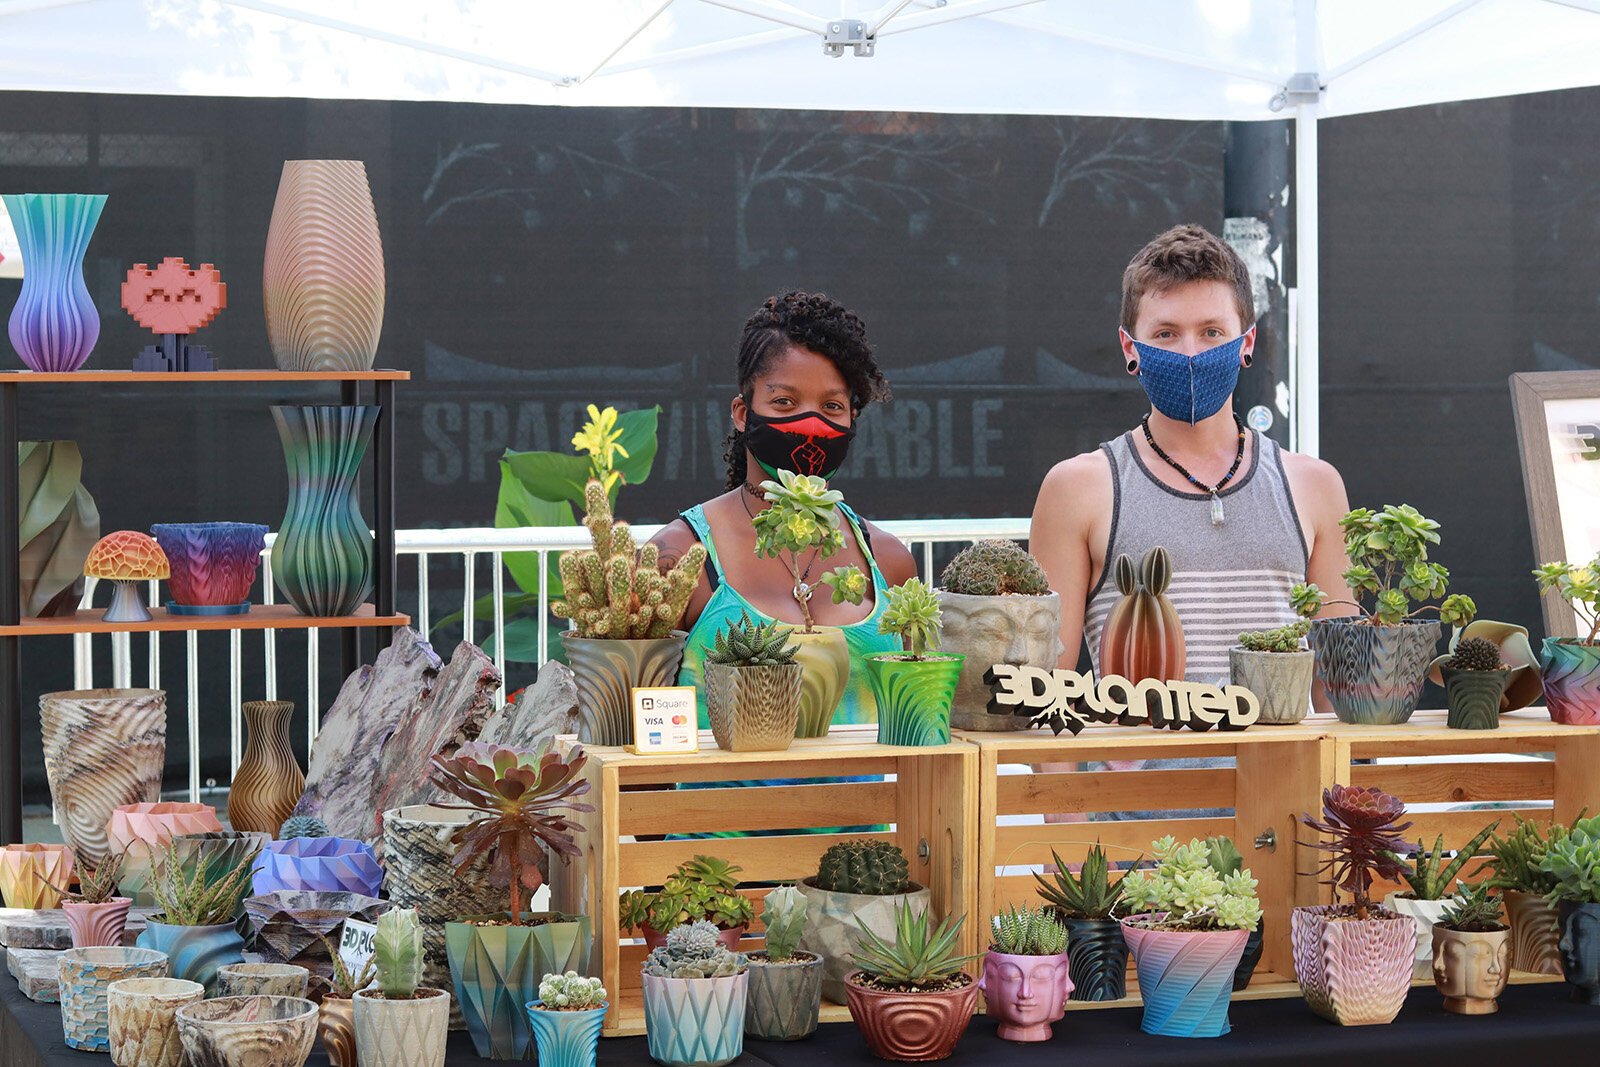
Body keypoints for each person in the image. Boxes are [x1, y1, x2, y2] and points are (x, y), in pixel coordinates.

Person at [1031, 223, 1355, 695]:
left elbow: (1338, 692)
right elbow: (1045, 691)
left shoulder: (1315, 487)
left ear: (1246, 343)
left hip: (1289, 770)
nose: (1189, 352)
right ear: (1130, 348)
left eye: (1211, 332)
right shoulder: (1077, 489)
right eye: (1165, 334)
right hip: (1144, 772)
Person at [651, 289, 919, 729]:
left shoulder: (887, 561)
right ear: (742, 413)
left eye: (832, 406)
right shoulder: (682, 557)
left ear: (853, 418)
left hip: (870, 797)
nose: (811, 422)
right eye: (784, 403)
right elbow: (634, 731)